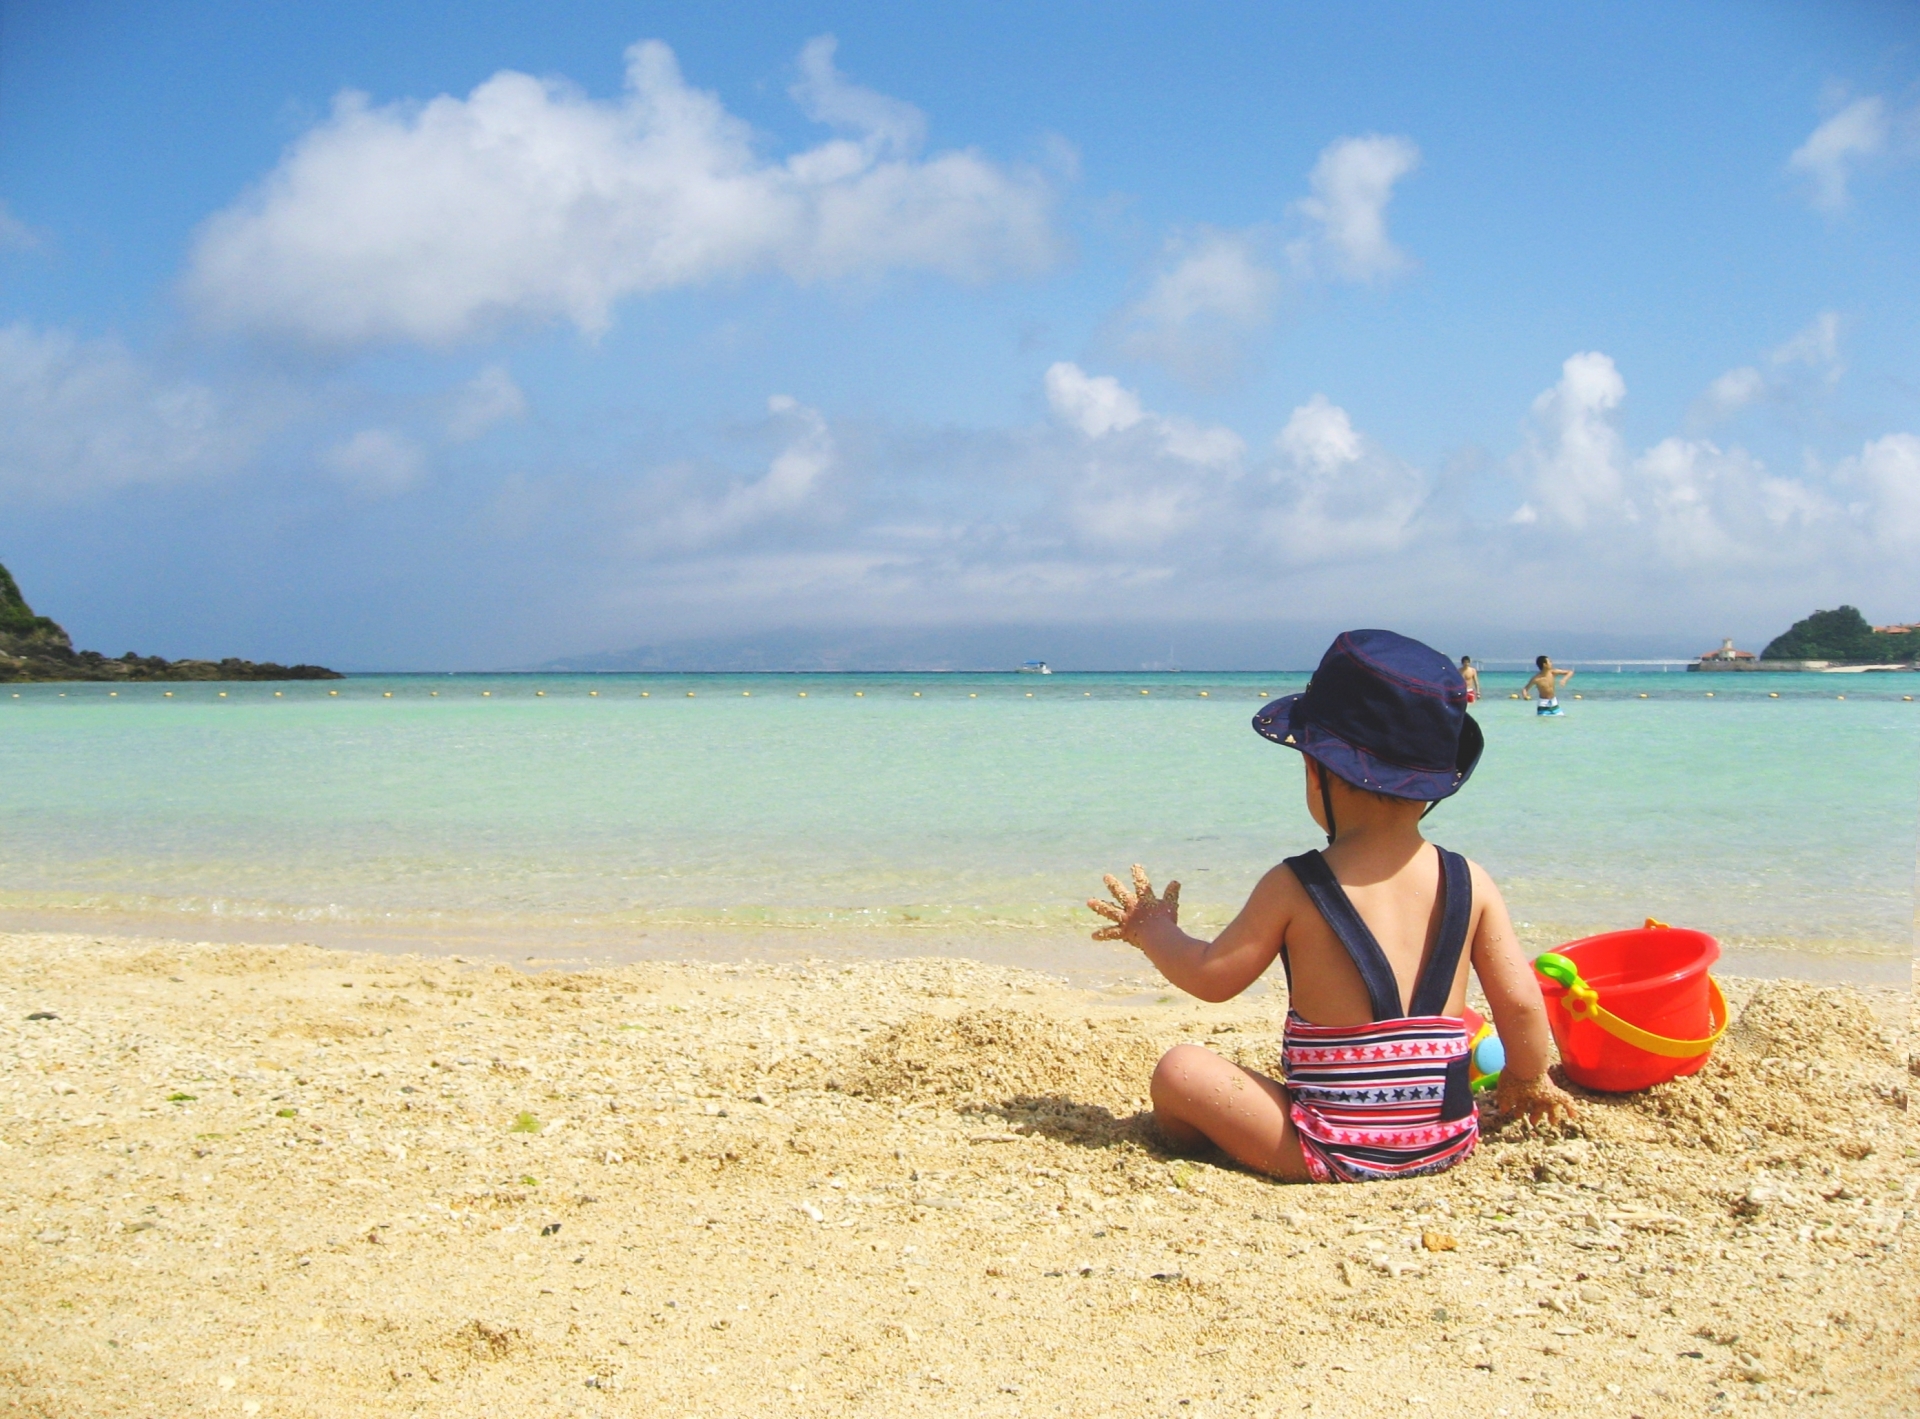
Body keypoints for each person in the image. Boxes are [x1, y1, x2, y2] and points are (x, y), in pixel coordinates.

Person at [1086, 629, 1574, 1183]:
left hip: (1325, 1149)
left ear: (1318, 772)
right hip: (1446, 1139)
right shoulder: (1472, 882)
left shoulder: (1296, 885)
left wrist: (1151, 929)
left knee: (1180, 1071)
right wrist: (1528, 1080)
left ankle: (1205, 1147)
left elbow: (1211, 976)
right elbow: (1523, 1005)